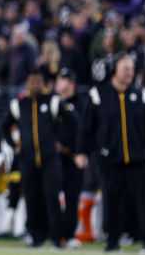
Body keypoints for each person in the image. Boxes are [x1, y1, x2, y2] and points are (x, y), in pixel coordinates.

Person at [76, 54, 145, 252]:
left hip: (138, 157)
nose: (129, 72)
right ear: (114, 69)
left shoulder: (142, 94)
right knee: (112, 200)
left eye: (131, 68)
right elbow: (86, 127)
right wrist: (81, 151)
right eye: (125, 68)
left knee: (144, 202)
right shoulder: (98, 95)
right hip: (110, 158)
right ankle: (112, 242)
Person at [1, 65, 66, 248]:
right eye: (31, 81)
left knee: (52, 197)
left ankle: (56, 237)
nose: (34, 84)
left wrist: (61, 142)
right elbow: (4, 127)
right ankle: (35, 235)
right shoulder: (19, 104)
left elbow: (71, 122)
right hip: (27, 159)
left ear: (43, 82)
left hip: (50, 159)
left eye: (38, 81)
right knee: (31, 198)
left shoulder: (53, 101)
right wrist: (14, 145)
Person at [53, 67, 83, 246]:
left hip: (72, 157)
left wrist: (73, 150)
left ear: (71, 83)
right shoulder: (53, 103)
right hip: (53, 158)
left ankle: (69, 234)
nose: (59, 83)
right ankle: (54, 233)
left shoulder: (80, 102)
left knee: (72, 198)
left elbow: (83, 130)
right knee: (51, 197)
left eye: (63, 80)